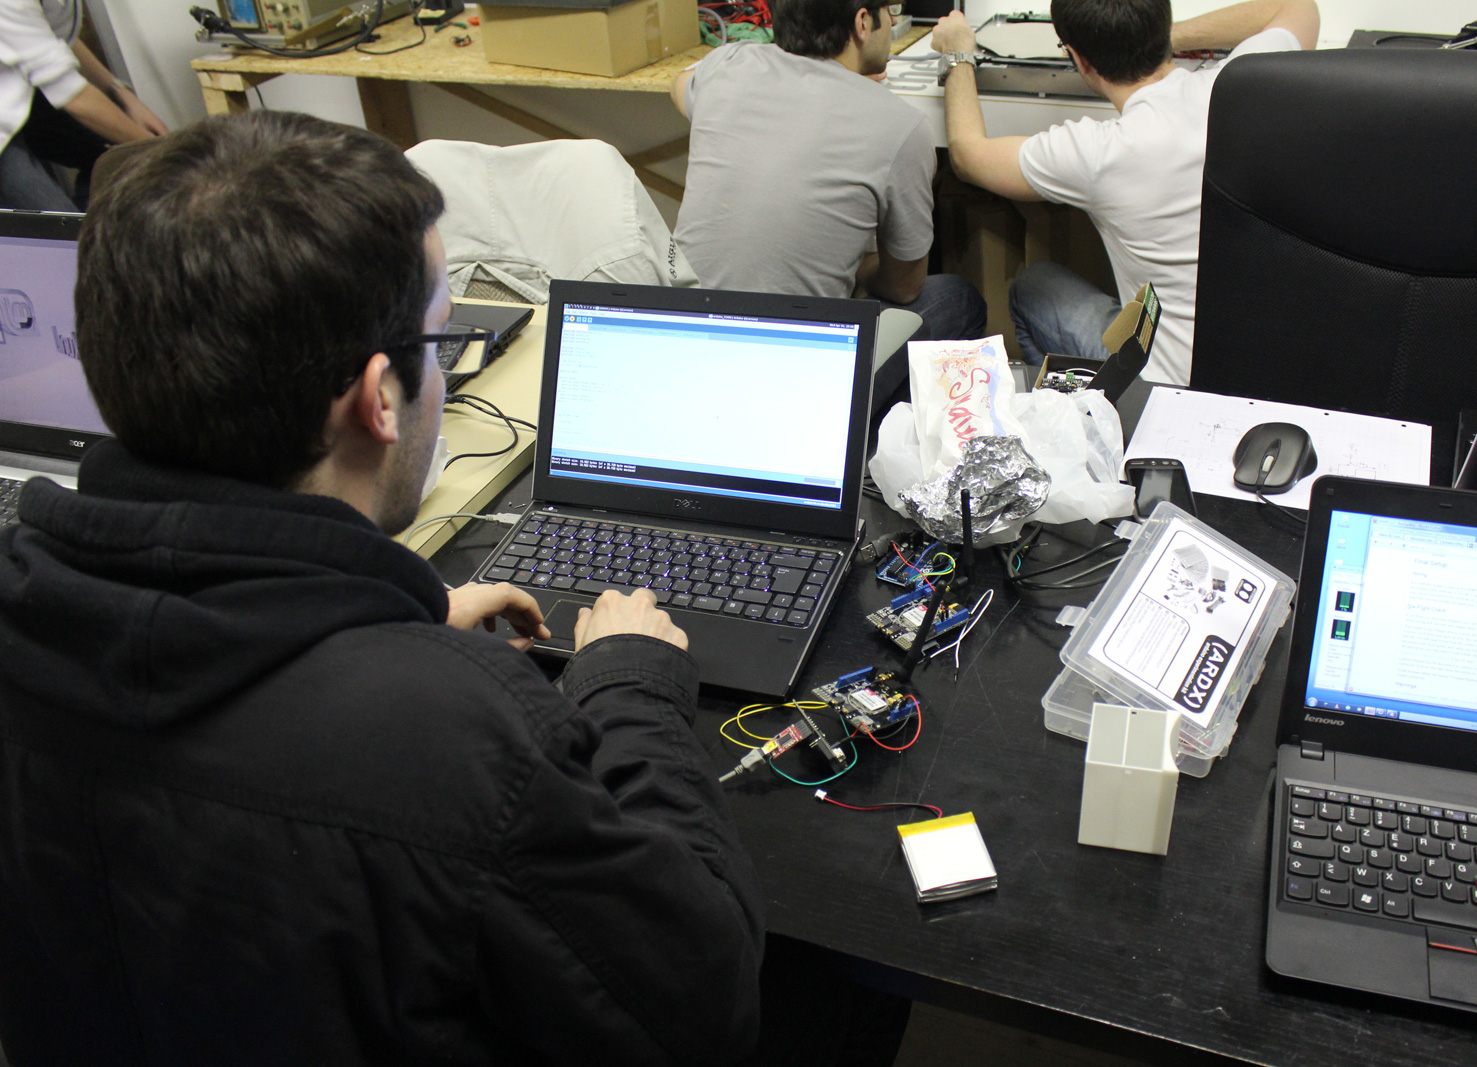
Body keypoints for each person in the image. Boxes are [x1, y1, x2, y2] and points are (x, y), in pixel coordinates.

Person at [0, 111, 762, 1066]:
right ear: (379, 398)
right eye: (439, 340)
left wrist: (398, 619)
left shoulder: (24, 602)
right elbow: (704, 1003)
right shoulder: (456, 738)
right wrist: (633, 689)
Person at [930, 0, 1319, 383]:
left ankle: (1085, 412)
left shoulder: (1097, 153)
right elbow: (1296, 7)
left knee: (1032, 288)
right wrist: (1145, 36)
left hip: (1170, 385)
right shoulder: (1245, 88)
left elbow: (967, 156)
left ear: (1079, 59)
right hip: (1279, 368)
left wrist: (957, 52)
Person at [670, 0, 986, 345]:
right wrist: (857, 268)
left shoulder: (724, 67)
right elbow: (904, 287)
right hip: (792, 355)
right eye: (889, 11)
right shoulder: (901, 125)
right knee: (958, 297)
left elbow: (678, 85)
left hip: (676, 334)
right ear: (863, 23)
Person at [0, 0, 167, 210]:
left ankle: (93, 224)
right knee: (57, 219)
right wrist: (166, 152)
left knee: (115, 156)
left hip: (22, 95)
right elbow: (72, 95)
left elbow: (55, 37)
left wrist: (121, 93)